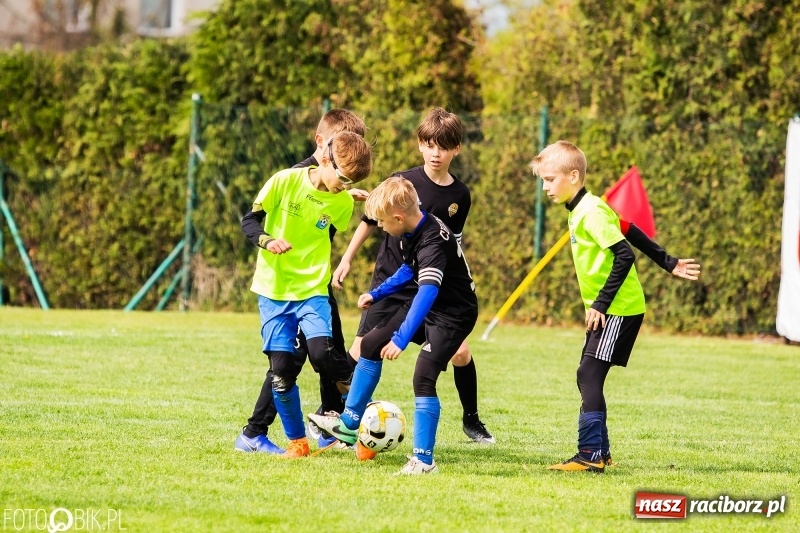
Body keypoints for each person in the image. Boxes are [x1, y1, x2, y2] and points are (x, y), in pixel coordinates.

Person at [529, 140, 701, 472]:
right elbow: (629, 230)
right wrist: (668, 262)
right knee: (586, 374)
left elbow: (624, 254)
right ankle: (599, 452)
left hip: (618, 308)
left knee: (589, 374)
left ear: (574, 175)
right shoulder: (588, 207)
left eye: (550, 179)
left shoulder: (590, 211)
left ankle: (591, 455)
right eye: (543, 180)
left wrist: (600, 304)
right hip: (611, 307)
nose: (546, 186)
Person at [331, 107, 494, 444]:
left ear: (456, 149)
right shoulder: (402, 182)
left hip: (431, 287)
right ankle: (338, 419)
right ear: (420, 145)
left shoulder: (459, 196)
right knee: (364, 346)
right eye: (429, 144)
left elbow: (451, 247)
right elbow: (370, 220)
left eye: (443, 146)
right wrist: (350, 261)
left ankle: (470, 421)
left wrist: (458, 278)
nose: (436, 153)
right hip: (394, 279)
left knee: (459, 353)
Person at [310, 176, 479, 475]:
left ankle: (424, 461)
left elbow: (427, 292)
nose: (382, 228)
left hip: (453, 314)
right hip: (430, 303)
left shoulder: (432, 243)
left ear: (398, 217)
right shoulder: (411, 228)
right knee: (371, 344)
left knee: (423, 376)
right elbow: (407, 269)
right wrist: (377, 293)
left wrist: (401, 339)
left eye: (384, 223)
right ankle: (349, 425)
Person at [235, 110, 368, 455]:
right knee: (285, 366)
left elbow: (323, 232)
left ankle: (340, 418)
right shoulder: (287, 180)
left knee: (325, 353)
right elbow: (251, 222)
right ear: (323, 148)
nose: (345, 184)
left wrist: (342, 194)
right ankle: (291, 433)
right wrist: (268, 241)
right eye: (343, 176)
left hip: (313, 289)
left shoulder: (340, 198)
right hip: (276, 290)